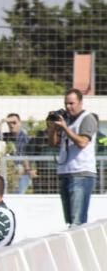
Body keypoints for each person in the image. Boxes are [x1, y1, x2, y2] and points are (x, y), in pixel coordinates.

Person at [47, 88, 98, 227]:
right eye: (66, 103)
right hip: (65, 172)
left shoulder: (88, 118)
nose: (68, 107)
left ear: (80, 102)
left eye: (72, 103)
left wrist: (64, 128)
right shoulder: (66, 120)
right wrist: (52, 128)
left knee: (77, 221)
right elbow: (52, 144)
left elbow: (82, 142)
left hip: (81, 173)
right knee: (69, 220)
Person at [0, 113, 35, 194]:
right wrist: (3, 121)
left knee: (18, 195)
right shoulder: (9, 137)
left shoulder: (26, 138)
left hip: (24, 173)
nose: (11, 126)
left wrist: (27, 169)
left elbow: (27, 157)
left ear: (20, 123)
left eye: (14, 123)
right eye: (9, 124)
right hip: (11, 173)